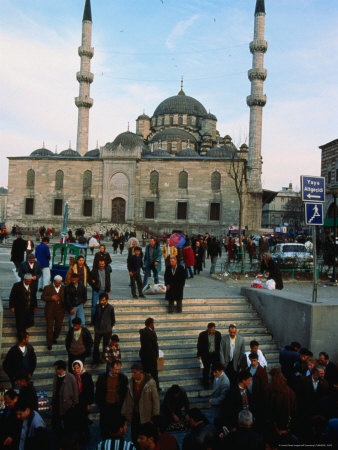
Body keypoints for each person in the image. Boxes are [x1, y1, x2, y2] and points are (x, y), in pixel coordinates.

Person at [121, 362, 160, 443]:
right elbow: (127, 398)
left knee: (144, 437)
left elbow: (155, 400)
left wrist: (155, 416)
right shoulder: (131, 382)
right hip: (134, 415)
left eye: (134, 372)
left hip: (146, 416)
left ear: (141, 372)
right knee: (134, 436)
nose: (132, 374)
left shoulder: (150, 383)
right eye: (132, 372)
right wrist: (124, 411)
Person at [95, 360, 128, 439]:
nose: (117, 371)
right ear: (111, 368)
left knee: (116, 427)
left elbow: (124, 393)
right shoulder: (102, 378)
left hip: (117, 406)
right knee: (105, 427)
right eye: (115, 369)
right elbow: (98, 392)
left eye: (118, 369)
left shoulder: (123, 378)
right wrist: (100, 404)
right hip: (105, 406)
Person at [51, 359, 79, 444]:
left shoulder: (70, 377)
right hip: (57, 404)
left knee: (68, 425)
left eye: (56, 369)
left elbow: (75, 391)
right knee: (56, 424)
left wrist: (74, 403)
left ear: (61, 369)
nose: (55, 371)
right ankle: (61, 437)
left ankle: (68, 441)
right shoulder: (56, 377)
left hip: (68, 405)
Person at [72, 360, 94, 442]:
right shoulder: (73, 376)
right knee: (77, 419)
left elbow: (90, 389)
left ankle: (87, 435)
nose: (76, 370)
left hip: (84, 401)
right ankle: (80, 436)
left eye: (78, 368)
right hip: (77, 401)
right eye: (75, 368)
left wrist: (89, 403)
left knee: (84, 419)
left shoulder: (87, 376)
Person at [41, 274, 65, 350]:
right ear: (54, 281)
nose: (58, 284)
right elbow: (43, 297)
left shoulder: (64, 289)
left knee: (58, 327)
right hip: (50, 311)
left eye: (59, 283)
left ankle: (54, 338)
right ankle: (49, 343)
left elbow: (66, 299)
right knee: (49, 328)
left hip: (60, 312)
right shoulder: (47, 288)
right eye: (56, 283)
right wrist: (51, 298)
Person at [92, 292, 115, 368]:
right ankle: (95, 361)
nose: (103, 302)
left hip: (107, 330)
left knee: (105, 345)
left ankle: (103, 358)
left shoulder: (111, 308)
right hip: (98, 329)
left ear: (107, 300)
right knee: (96, 346)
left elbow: (113, 319)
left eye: (104, 300)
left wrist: (109, 327)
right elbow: (95, 317)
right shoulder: (97, 306)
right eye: (101, 300)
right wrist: (96, 326)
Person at [197, 322, 222, 389]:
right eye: (210, 330)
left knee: (215, 369)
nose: (211, 331)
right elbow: (199, 345)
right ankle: (206, 384)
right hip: (206, 355)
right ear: (208, 328)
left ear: (214, 329)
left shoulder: (218, 334)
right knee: (206, 370)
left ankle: (214, 382)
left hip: (215, 355)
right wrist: (199, 354)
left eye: (212, 330)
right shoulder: (202, 334)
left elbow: (220, 345)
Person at [139, 317, 160, 390]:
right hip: (151, 356)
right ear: (151, 324)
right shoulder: (152, 333)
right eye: (153, 323)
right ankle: (156, 387)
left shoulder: (143, 332)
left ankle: (144, 387)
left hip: (144, 355)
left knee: (145, 372)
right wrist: (156, 355)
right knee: (154, 373)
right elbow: (155, 345)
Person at [90, 259, 111, 323]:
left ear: (105, 264)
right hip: (96, 290)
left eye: (103, 264)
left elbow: (108, 281)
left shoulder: (107, 271)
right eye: (100, 264)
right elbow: (89, 278)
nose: (101, 265)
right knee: (94, 306)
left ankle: (101, 320)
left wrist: (108, 290)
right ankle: (93, 321)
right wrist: (93, 284)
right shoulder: (94, 270)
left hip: (104, 291)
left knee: (103, 306)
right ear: (98, 264)